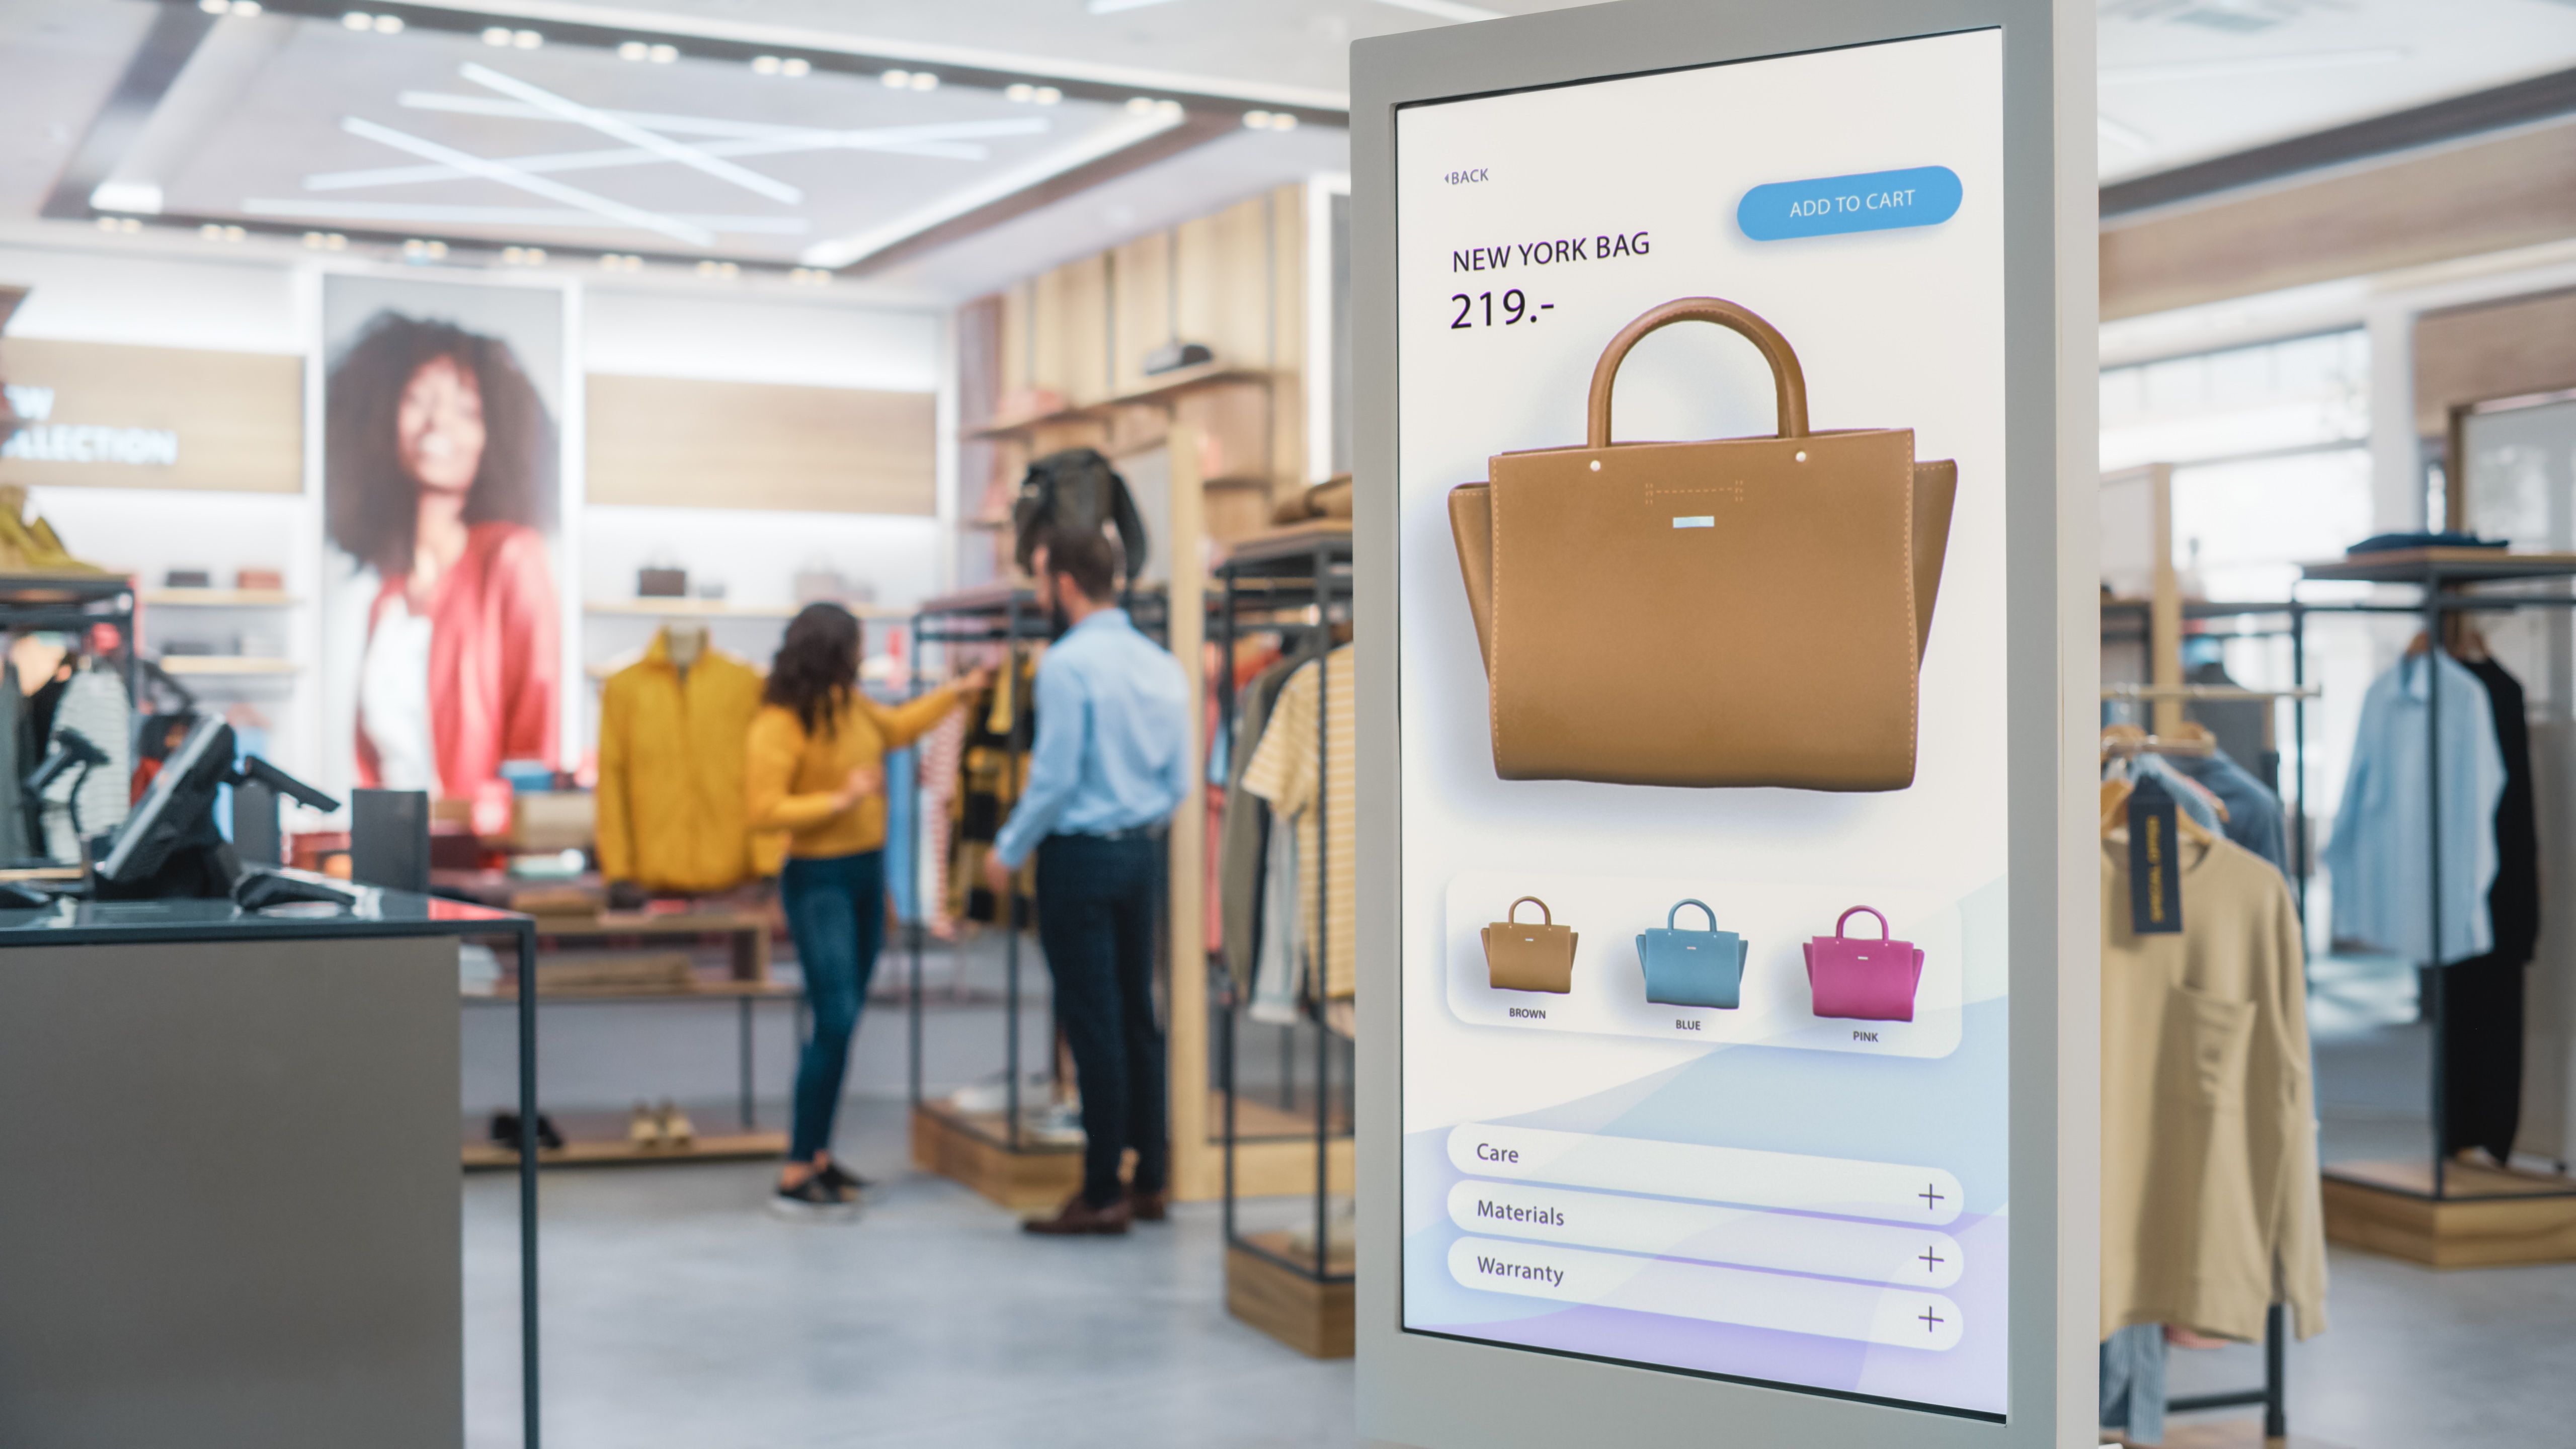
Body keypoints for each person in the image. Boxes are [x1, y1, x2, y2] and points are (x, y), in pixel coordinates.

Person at [984, 528, 1192, 1235]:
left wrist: (1009, 848)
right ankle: (1151, 1181)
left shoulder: (1066, 666)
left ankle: (1101, 1189)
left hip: (1077, 856)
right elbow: (1180, 783)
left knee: (1092, 1022)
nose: (1041, 595)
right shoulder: (1164, 666)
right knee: (1139, 1015)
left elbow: (1056, 777)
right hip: (1142, 857)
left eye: (1043, 581)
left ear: (1067, 584)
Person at [750, 603, 988, 1215]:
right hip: (818, 881)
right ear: (832, 650)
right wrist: (840, 798)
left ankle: (819, 1158)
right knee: (834, 1018)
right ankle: (796, 1171)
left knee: (845, 1020)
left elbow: (900, 728)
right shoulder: (779, 723)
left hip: (862, 875)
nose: (861, 656)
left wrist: (956, 694)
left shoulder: (848, 705)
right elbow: (764, 809)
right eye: (853, 646)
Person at [325, 312, 559, 797]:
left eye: (467, 409)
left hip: (475, 857)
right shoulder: (382, 598)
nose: (438, 423)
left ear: (495, 432)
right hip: (389, 850)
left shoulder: (513, 560)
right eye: (418, 399)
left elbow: (537, 743)